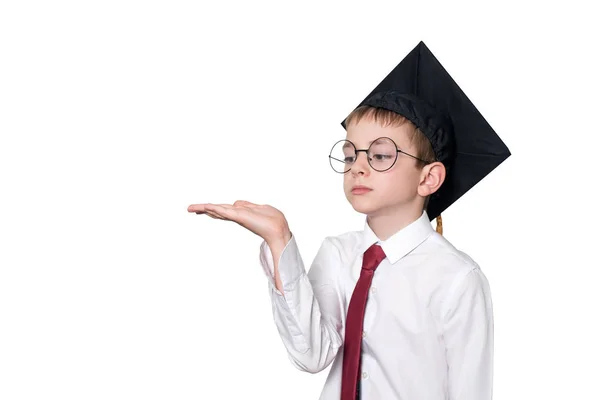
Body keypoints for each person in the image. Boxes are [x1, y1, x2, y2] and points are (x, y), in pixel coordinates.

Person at [188, 41, 511, 399]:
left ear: (428, 178)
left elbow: (471, 390)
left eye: (380, 155)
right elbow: (312, 354)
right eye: (349, 155)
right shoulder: (338, 254)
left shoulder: (456, 279)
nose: (358, 166)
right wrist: (280, 240)